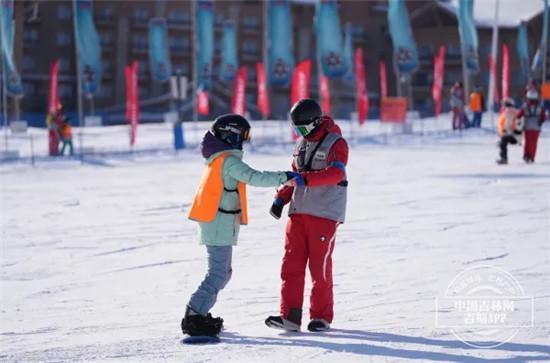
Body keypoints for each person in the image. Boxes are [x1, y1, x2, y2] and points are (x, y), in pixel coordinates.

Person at [181, 114, 297, 338]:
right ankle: (193, 315)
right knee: (217, 274)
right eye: (242, 136)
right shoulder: (228, 161)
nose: (243, 141)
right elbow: (254, 177)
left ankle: (199, 312)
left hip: (218, 224)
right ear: (230, 136)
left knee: (223, 273)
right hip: (218, 225)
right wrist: (285, 177)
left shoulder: (221, 159)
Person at [265, 99, 348, 332]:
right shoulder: (302, 144)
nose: (299, 133)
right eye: (296, 129)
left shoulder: (336, 143)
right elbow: (295, 173)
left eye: (302, 129)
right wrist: (281, 198)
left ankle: (321, 317)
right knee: (290, 265)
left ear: (315, 122)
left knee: (319, 268)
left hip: (324, 214)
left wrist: (307, 179)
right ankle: (289, 317)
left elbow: (335, 174)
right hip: (299, 213)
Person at [516, 89, 546, 163]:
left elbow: (519, 115)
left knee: (527, 142)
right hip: (536, 127)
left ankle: (526, 155)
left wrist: (518, 121)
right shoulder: (540, 106)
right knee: (534, 143)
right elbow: (543, 117)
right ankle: (531, 157)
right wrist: (540, 122)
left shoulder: (525, 106)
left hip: (527, 127)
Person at [496, 98, 521, 165]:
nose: (502, 105)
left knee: (502, 145)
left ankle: (504, 159)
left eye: (503, 104)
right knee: (502, 145)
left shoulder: (509, 111)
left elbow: (508, 122)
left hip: (507, 132)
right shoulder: (511, 110)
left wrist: (505, 130)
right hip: (508, 132)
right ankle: (504, 158)